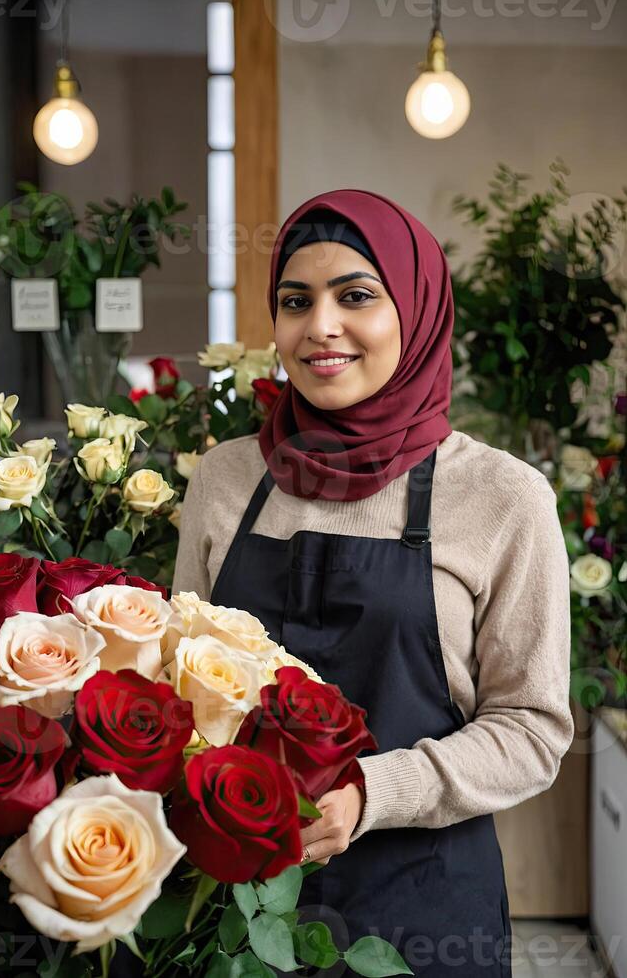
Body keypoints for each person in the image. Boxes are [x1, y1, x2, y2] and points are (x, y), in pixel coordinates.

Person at [171, 188, 574, 976]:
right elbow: (179, 683)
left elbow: (532, 730)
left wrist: (369, 791)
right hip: (230, 910)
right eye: (295, 301)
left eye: (355, 296)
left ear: (416, 313)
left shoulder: (501, 496)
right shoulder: (225, 479)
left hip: (421, 909)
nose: (319, 327)